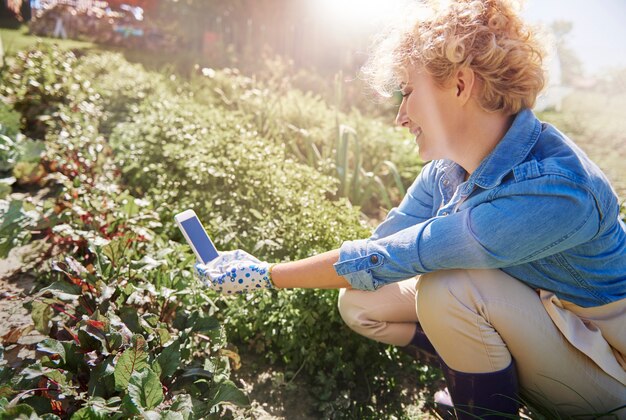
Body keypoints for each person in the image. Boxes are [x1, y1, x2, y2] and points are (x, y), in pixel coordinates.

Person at [196, 0, 626, 418]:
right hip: (548, 327)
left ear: (460, 84)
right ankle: (481, 383)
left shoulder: (555, 189)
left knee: (448, 288)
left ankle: (484, 407)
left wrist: (267, 275)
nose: (400, 116)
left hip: (608, 365)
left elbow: (404, 254)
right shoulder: (448, 169)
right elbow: (379, 248)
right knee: (362, 301)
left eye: (408, 92)